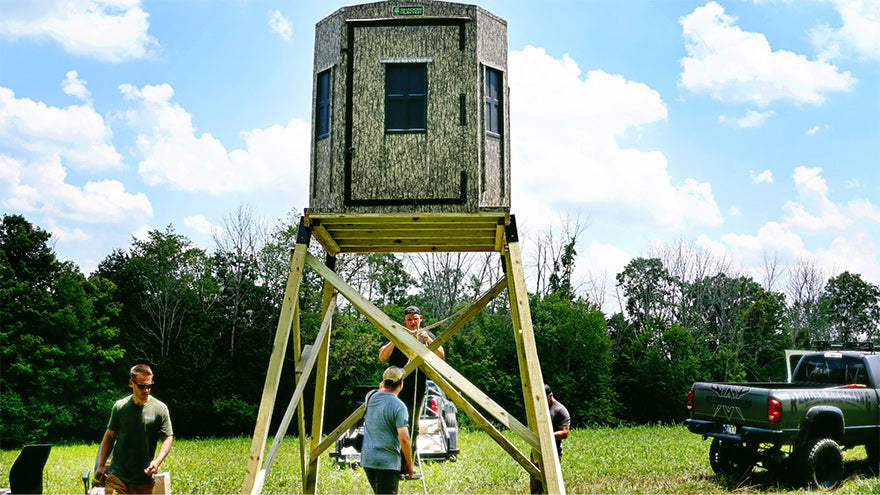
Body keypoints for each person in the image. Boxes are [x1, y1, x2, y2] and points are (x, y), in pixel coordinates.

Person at [96, 364, 173, 494]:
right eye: (141, 386)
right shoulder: (120, 407)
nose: (146, 390)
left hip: (144, 478)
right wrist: (101, 465)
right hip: (118, 475)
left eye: (149, 386)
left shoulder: (160, 409)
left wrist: (157, 461)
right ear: (131, 383)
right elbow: (109, 436)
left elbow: (168, 437)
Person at [378, 305, 444, 456]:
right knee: (392, 422)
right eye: (409, 320)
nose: (413, 322)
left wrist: (427, 340)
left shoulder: (427, 335)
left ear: (420, 319)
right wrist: (394, 339)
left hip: (418, 386)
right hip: (395, 387)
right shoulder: (396, 333)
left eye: (415, 319)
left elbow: (441, 355)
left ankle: (409, 458)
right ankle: (392, 456)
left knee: (413, 424)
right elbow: (382, 357)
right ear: (404, 320)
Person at [361, 366, 414, 494]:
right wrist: (409, 464)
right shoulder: (399, 406)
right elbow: (404, 439)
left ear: (383, 382)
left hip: (368, 460)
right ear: (401, 384)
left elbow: (380, 394)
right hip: (387, 462)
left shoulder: (370, 396)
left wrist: (382, 388)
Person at [531, 384, 571, 494]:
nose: (541, 402)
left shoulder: (560, 410)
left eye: (544, 399)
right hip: (536, 451)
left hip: (553, 452)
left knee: (551, 485)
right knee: (535, 486)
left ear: (550, 395)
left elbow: (565, 433)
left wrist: (546, 436)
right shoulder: (537, 407)